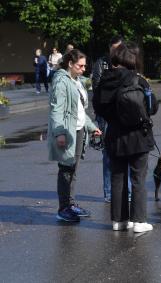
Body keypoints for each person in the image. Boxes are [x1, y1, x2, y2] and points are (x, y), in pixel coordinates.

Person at [93, 42, 157, 233]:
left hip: (114, 135)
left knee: (117, 177)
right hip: (138, 135)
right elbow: (152, 107)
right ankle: (138, 221)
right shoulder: (138, 79)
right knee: (138, 178)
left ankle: (118, 220)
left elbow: (97, 107)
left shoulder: (104, 80)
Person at [48, 49, 102, 222]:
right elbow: (57, 110)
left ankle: (70, 204)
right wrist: (60, 133)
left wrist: (92, 127)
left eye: (85, 65)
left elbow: (79, 110)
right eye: (80, 65)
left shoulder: (76, 80)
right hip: (67, 131)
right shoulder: (61, 81)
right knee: (66, 170)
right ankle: (63, 208)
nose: (83, 69)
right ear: (70, 64)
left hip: (79, 130)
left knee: (73, 170)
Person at [92, 35, 124, 202]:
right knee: (108, 154)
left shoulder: (127, 62)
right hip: (106, 115)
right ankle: (109, 193)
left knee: (127, 152)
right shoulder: (101, 63)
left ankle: (128, 192)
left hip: (124, 114)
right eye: (113, 49)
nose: (116, 52)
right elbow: (97, 89)